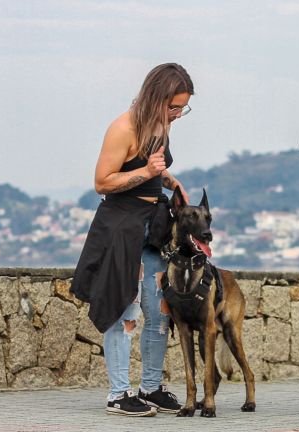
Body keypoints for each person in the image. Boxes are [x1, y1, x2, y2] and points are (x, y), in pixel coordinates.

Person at [70, 63, 194, 417]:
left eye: (182, 108)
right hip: (121, 226)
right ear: (157, 97)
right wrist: (147, 172)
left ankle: (151, 388)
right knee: (124, 308)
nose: (178, 115)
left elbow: (156, 168)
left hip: (151, 227)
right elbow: (102, 182)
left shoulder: (162, 125)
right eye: (174, 107)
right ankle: (118, 394)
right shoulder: (122, 128)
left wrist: (172, 183)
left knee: (159, 310)